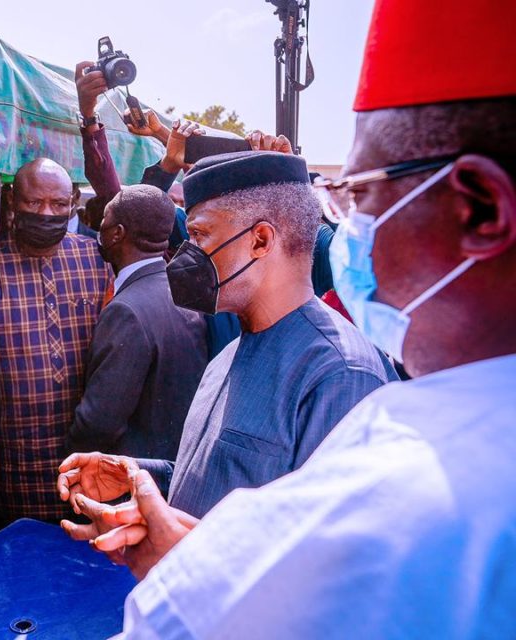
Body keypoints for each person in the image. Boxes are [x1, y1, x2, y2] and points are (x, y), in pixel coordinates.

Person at [83, 1, 516, 637]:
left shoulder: (347, 382)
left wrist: (187, 566)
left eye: (363, 196)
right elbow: (233, 490)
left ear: (480, 209)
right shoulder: (229, 352)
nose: (351, 232)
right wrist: (145, 482)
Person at [60, 150, 397, 525]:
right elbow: (223, 485)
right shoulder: (232, 350)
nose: (186, 254)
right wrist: (139, 475)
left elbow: (331, 557)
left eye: (200, 235)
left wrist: (187, 549)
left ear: (260, 240)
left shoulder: (341, 376)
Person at [0, 157, 112, 526]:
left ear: (72, 203)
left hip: (84, 455)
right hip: (14, 459)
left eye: (58, 205)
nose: (46, 213)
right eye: (33, 203)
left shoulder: (95, 258)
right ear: (12, 200)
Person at [69, 184, 208, 460]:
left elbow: (100, 421)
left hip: (130, 477)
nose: (100, 230)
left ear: (117, 234)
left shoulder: (126, 311)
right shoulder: (181, 291)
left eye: (104, 223)